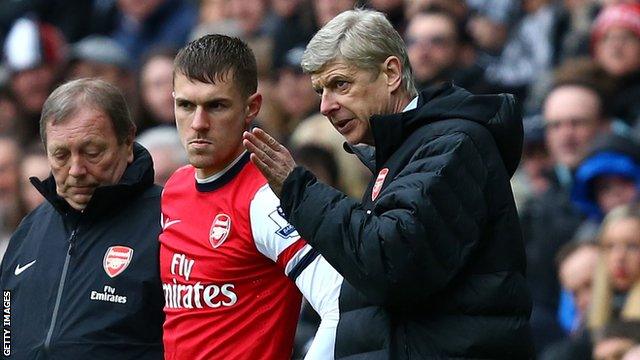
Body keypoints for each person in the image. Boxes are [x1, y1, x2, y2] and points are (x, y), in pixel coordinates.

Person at [243, 8, 533, 359]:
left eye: (340, 84)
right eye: (320, 90)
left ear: (391, 73)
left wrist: (298, 189)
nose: (325, 106)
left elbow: (389, 263)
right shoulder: (403, 154)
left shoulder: (452, 145)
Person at [160, 34, 342, 360]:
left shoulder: (265, 199)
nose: (198, 123)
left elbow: (339, 299)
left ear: (251, 107)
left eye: (216, 105)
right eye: (186, 105)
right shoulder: (175, 187)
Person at [0, 78, 165, 359]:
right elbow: (6, 332)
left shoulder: (167, 220)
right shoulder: (29, 229)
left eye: (92, 152)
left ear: (127, 142)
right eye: (61, 155)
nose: (76, 169)